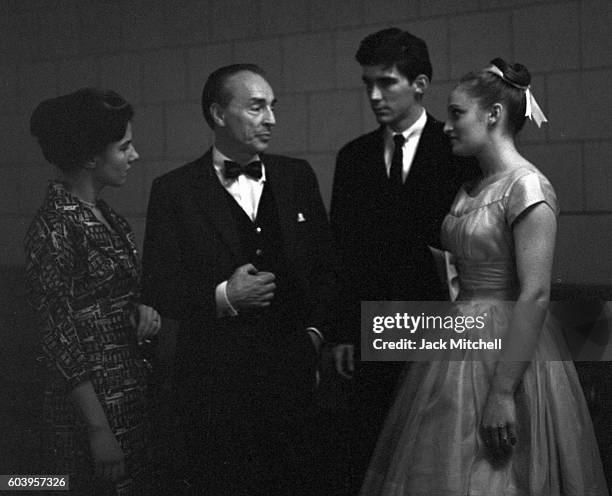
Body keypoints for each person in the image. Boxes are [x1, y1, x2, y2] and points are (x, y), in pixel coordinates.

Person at [360, 59, 609, 495]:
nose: (446, 126)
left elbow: (534, 295)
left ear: (493, 114)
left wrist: (501, 393)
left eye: (457, 113)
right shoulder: (472, 188)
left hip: (507, 348)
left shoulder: (526, 186)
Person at [141, 63, 339, 495]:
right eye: (256, 107)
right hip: (215, 386)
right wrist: (224, 296)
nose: (271, 119)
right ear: (217, 114)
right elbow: (158, 286)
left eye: (272, 107)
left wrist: (315, 335)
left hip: (293, 377)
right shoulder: (173, 190)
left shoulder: (296, 176)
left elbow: (325, 266)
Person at [329, 27, 476, 490]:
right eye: (367, 83)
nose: (374, 95)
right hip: (372, 330)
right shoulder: (352, 157)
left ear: (420, 84)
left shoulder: (458, 150)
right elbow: (344, 252)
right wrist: (342, 332)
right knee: (374, 452)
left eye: (387, 82)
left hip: (443, 329)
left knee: (433, 459)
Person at [24, 88, 161, 495]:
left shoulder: (108, 217)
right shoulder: (53, 228)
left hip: (129, 395)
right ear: (89, 157)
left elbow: (108, 296)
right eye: (124, 147)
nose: (134, 157)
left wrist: (140, 310)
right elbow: (57, 336)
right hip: (90, 412)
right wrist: (99, 429)